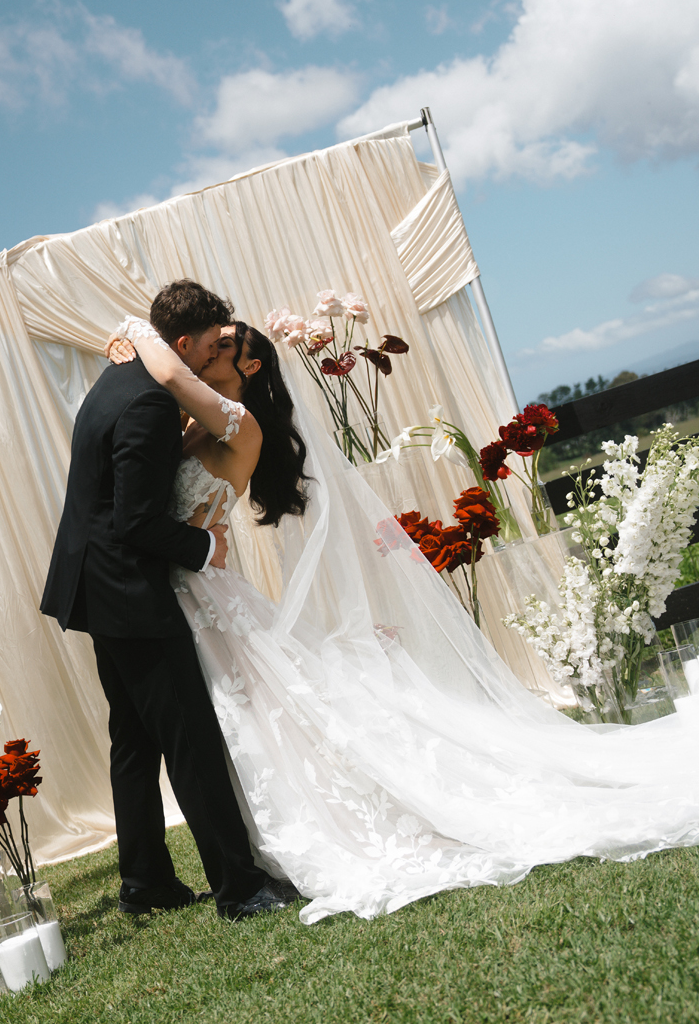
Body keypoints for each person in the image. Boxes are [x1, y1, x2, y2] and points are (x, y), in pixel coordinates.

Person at [109, 308, 699, 926]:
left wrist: (136, 329)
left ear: (251, 366)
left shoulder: (241, 425)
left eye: (226, 344)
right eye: (213, 340)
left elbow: (173, 379)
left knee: (250, 715)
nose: (212, 348)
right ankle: (172, 869)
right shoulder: (195, 421)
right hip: (185, 590)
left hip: (201, 591)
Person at [40, 279, 285, 921]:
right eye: (208, 345)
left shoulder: (118, 379)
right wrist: (207, 550)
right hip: (128, 588)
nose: (210, 355)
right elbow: (138, 521)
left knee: (134, 737)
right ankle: (239, 886)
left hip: (95, 584)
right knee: (189, 738)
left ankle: (145, 879)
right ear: (182, 343)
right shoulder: (149, 404)